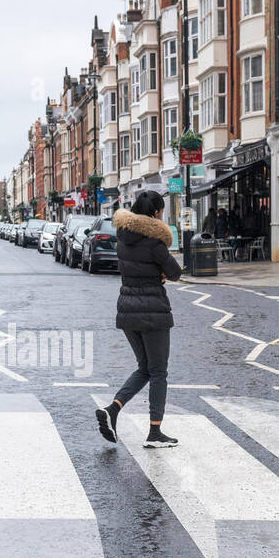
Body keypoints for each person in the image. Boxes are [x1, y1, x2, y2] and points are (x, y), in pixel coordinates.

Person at [96, 190, 184, 448]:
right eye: (161, 210)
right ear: (156, 213)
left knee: (145, 367)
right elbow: (175, 272)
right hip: (152, 311)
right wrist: (162, 274)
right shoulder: (155, 242)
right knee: (158, 372)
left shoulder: (123, 239)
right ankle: (155, 432)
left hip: (126, 310)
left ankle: (112, 410)